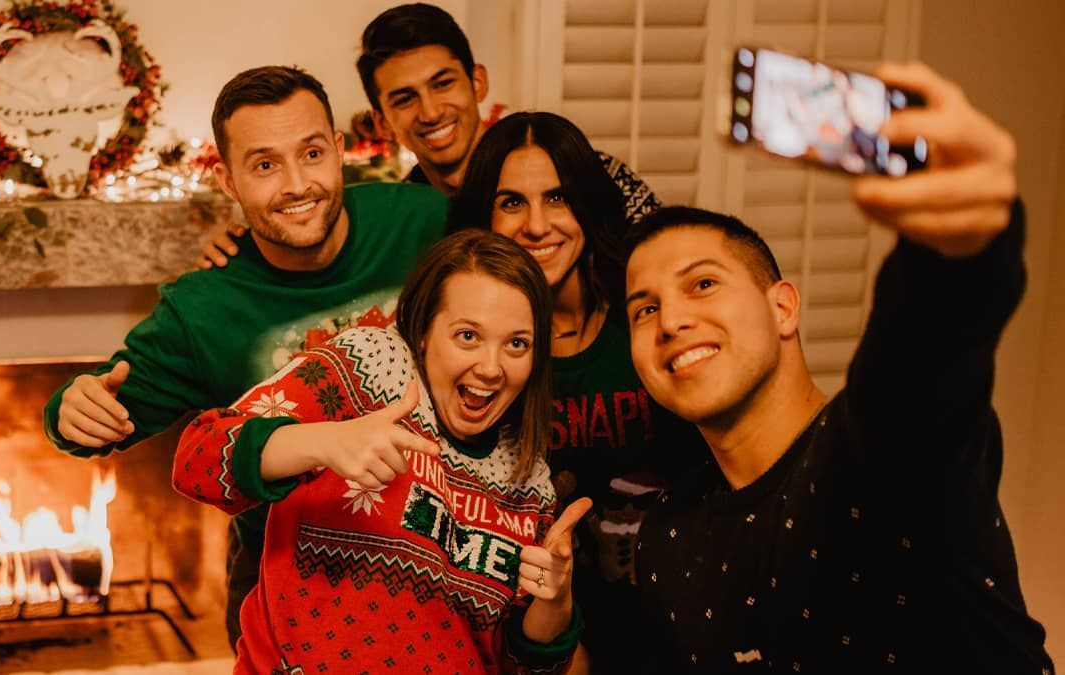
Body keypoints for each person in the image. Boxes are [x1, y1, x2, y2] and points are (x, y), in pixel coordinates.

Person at [622, 62, 1054, 672]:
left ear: (783, 307)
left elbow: (917, 367)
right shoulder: (667, 540)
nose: (670, 321)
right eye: (645, 309)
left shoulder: (872, 452)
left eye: (703, 284)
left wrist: (958, 252)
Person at [43, 65, 450, 647]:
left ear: (338, 151)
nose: (295, 185)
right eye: (264, 165)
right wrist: (71, 410)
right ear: (228, 180)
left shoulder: (423, 222)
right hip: (286, 590)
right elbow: (97, 410)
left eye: (311, 154)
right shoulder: (202, 309)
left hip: (436, 568)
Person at [174, 229, 589, 673]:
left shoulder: (530, 486)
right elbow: (197, 459)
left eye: (516, 344)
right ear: (425, 331)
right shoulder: (368, 367)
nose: (490, 367)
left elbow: (524, 666)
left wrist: (555, 601)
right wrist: (322, 442)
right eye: (467, 336)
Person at [452, 111, 709, 673]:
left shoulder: (644, 316)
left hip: (675, 615)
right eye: (511, 202)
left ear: (587, 205)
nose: (538, 225)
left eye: (559, 198)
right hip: (537, 632)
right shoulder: (469, 350)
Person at [196, 2, 659, 269]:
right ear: (381, 123)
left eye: (443, 84)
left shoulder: (582, 174)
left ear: (477, 82)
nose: (431, 111)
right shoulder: (403, 221)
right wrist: (246, 251)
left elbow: (669, 266)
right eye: (404, 99)